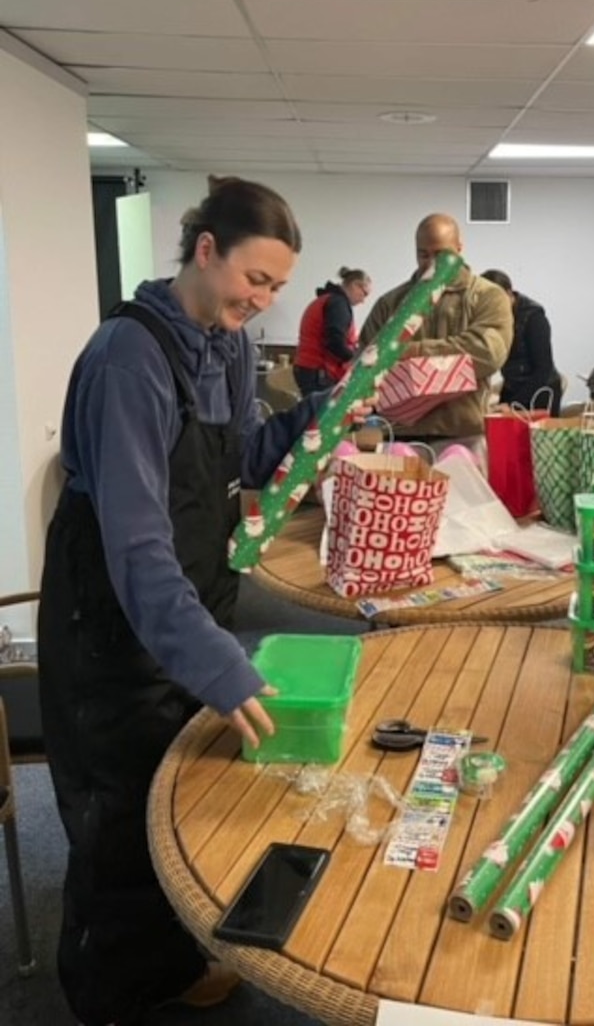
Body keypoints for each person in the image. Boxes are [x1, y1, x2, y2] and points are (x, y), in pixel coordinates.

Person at [37, 176, 326, 1026]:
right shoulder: (126, 359)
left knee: (180, 799)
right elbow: (136, 548)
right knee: (120, 815)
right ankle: (106, 996)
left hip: (189, 600)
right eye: (256, 279)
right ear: (206, 250)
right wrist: (221, 669)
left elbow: (244, 455)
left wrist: (326, 414)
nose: (264, 301)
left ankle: (168, 964)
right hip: (112, 624)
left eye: (278, 287)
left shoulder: (227, 342)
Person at [359, 213, 513, 453]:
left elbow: (487, 354)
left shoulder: (488, 296)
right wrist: (451, 362)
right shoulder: (389, 303)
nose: (432, 263)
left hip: (464, 436)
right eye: (423, 254)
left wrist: (408, 352)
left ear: (459, 248)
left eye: (441, 254)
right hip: (401, 438)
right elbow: (367, 363)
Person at [481, 269, 563, 414]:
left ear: (509, 293)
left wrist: (514, 404)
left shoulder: (534, 318)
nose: (493, 307)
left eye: (496, 301)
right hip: (512, 385)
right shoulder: (492, 317)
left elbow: (543, 369)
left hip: (540, 391)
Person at [293, 265, 371, 396]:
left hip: (309, 368)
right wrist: (355, 359)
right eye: (364, 294)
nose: (363, 301)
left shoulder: (327, 299)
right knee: (324, 415)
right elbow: (334, 341)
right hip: (319, 371)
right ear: (355, 285)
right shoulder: (338, 304)